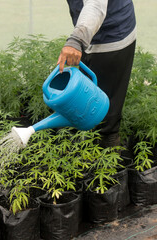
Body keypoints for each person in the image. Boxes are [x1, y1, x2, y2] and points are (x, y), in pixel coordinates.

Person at [57, 0, 136, 148]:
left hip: (112, 37)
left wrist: (76, 40)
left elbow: (95, 5)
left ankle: (108, 153)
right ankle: (91, 147)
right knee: (86, 100)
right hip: (90, 34)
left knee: (105, 111)